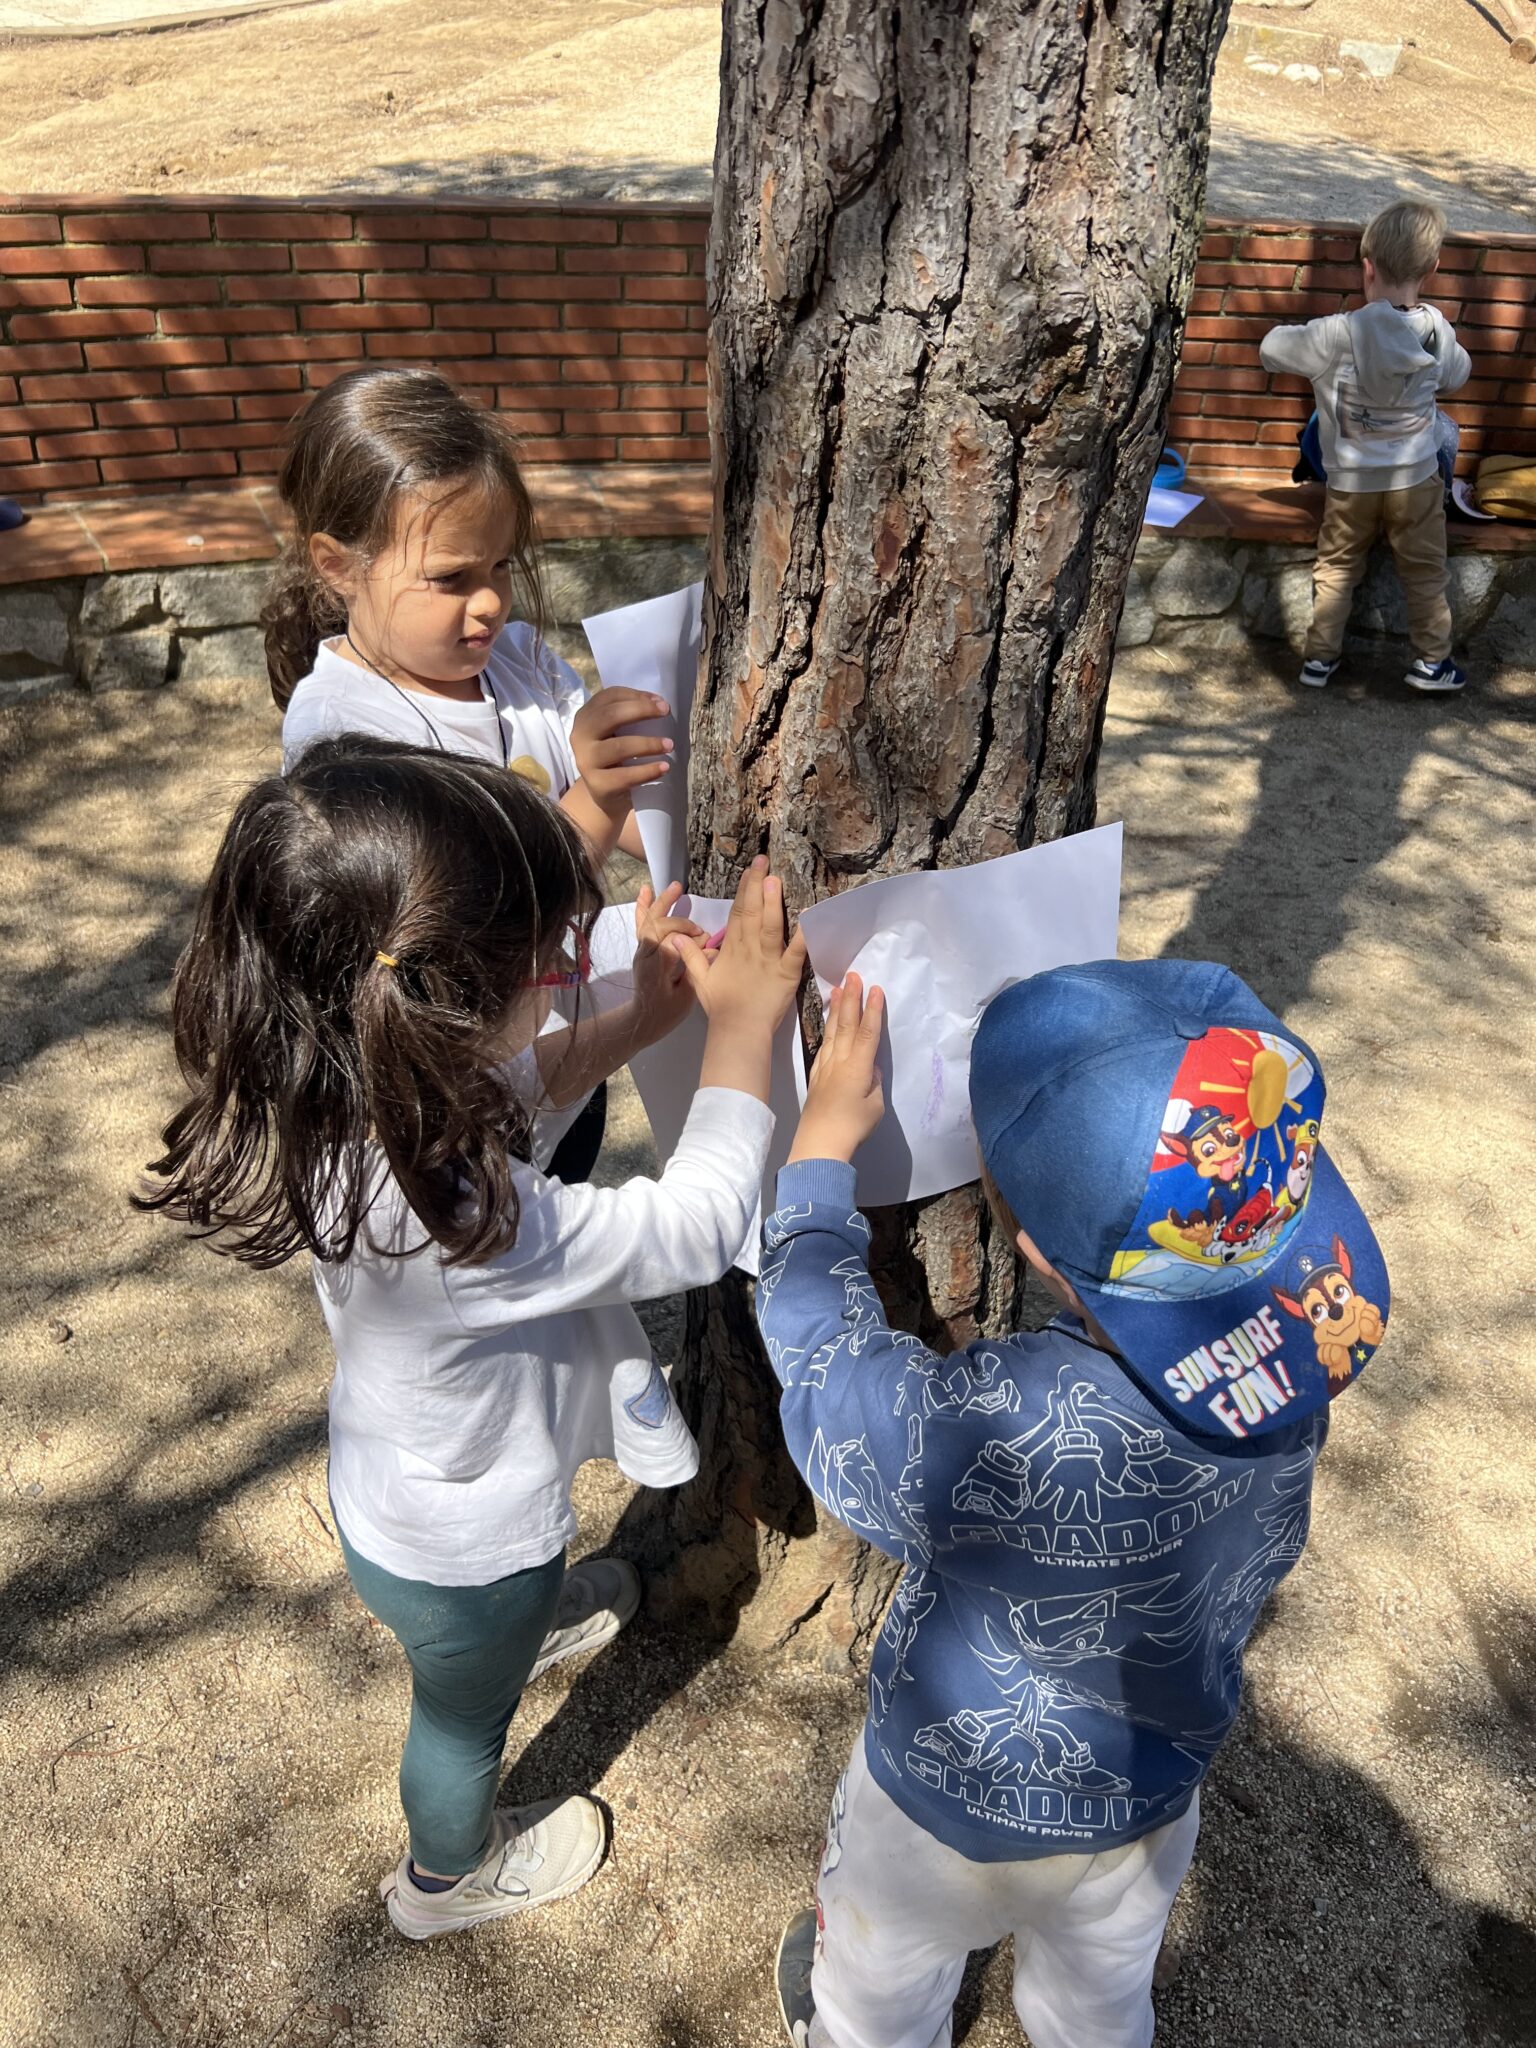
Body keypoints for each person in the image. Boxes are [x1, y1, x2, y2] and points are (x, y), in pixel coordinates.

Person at [138, 735, 807, 1940]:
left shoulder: (341, 1093)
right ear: (438, 1005)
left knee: (481, 1645)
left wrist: (636, 1020)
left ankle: (518, 1627)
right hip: (468, 1550)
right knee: (461, 1721)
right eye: (545, 959)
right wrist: (742, 1035)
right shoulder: (462, 1222)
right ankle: (445, 1878)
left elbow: (511, 1090)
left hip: (402, 1495)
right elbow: (695, 1225)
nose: (564, 970)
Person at [759, 959, 1390, 2048]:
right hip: (1145, 1804)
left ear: (1031, 1250)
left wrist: (817, 1168)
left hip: (936, 1808)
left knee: (872, 1998)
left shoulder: (994, 1418)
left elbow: (828, 1381)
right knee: (1096, 2008)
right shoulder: (1297, 1375)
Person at [263, 365, 673, 1183]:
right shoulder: (342, 735)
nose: (489, 603)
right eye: (451, 578)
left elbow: (637, 819)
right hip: (453, 1097)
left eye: (501, 567)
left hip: (564, 1053)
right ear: (338, 566)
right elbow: (488, 922)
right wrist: (594, 794)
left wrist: (662, 800)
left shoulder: (519, 660)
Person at [1259, 200, 1471, 694]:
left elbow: (1270, 348)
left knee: (1336, 568)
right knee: (1425, 572)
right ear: (1432, 270)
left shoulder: (1335, 333)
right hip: (1416, 478)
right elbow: (1458, 375)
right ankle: (1432, 662)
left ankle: (1319, 659)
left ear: (1368, 268)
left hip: (1350, 482)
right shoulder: (1437, 332)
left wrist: (1314, 343)